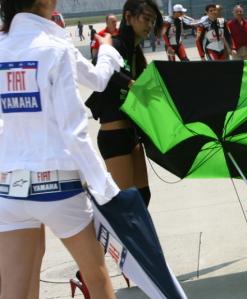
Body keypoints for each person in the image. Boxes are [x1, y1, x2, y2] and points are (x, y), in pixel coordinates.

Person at [0, 0, 122, 298]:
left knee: (13, 289)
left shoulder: (4, 47)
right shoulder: (56, 47)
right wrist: (106, 189)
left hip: (8, 187)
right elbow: (74, 129)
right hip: (56, 184)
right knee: (96, 276)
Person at [86, 0, 163, 208]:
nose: (149, 25)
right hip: (114, 135)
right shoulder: (116, 45)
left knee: (142, 197)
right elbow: (98, 69)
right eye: (146, 18)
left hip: (132, 135)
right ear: (128, 17)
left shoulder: (136, 53)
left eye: (153, 21)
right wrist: (130, 83)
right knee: (125, 204)